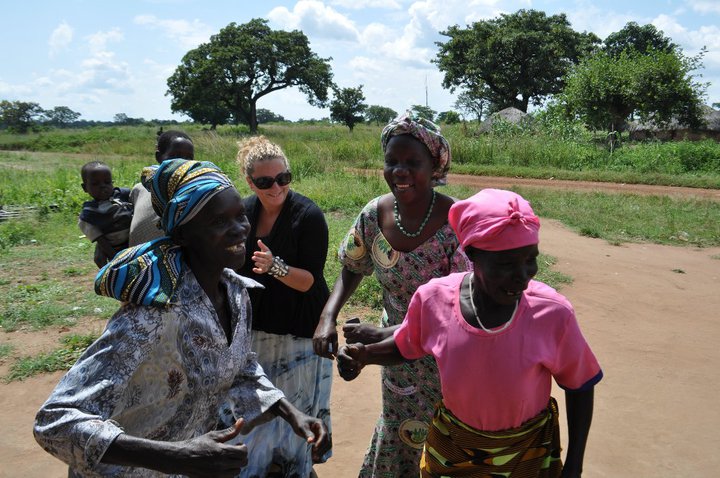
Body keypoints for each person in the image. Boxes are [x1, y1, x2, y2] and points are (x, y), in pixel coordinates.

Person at [34, 158, 329, 478]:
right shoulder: (154, 315)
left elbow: (239, 365)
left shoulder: (236, 294)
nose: (239, 229)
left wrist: (290, 412)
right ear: (183, 234)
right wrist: (177, 455)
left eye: (240, 216)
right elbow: (55, 420)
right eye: (219, 221)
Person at [337, 188, 603, 478]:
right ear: (473, 254)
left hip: (525, 455)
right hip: (454, 452)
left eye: (530, 260)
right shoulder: (434, 299)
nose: (522, 275)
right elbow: (405, 346)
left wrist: (574, 464)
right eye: (506, 264)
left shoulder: (552, 314)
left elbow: (580, 385)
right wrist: (366, 356)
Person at [313, 112, 470, 476]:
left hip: (449, 353)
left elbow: (459, 307)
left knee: (448, 434)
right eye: (392, 161)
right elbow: (353, 266)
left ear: (435, 164)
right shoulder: (375, 213)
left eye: (412, 162)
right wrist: (327, 317)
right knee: (402, 427)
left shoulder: (458, 219)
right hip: (395, 354)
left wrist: (378, 342)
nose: (400, 171)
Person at [229, 136, 332, 478]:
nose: (276, 187)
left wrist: (274, 266)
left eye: (283, 178)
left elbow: (309, 281)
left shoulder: (309, 215)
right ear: (250, 182)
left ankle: (297, 470)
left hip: (299, 328)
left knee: (295, 413)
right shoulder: (242, 213)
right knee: (256, 413)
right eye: (265, 182)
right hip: (258, 328)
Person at [128, 130, 194, 246]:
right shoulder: (139, 190)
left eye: (189, 158)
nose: (183, 162)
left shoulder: (194, 193)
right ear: (159, 157)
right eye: (175, 156)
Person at [78, 161, 133, 268]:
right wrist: (115, 258)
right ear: (85, 188)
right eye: (95, 184)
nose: (103, 186)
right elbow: (101, 241)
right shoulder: (89, 214)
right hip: (115, 249)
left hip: (136, 240)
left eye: (107, 182)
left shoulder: (122, 195)